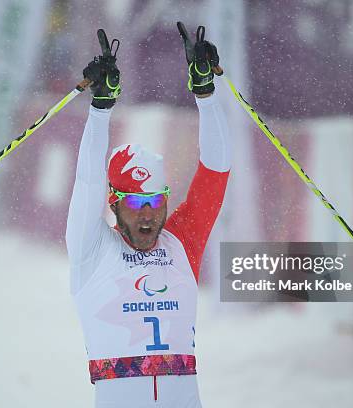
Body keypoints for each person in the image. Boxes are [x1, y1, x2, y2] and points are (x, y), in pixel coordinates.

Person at [66, 24, 230, 407]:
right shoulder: (91, 250)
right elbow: (88, 182)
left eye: (156, 203)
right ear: (113, 203)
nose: (148, 216)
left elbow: (216, 173)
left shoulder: (181, 244)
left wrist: (206, 95)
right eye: (136, 204)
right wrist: (100, 110)